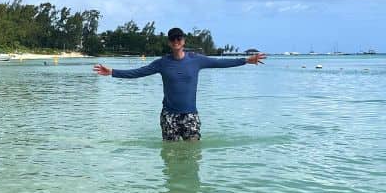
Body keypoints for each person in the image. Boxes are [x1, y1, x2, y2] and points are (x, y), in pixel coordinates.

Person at [93, 27, 266, 141]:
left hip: (190, 115)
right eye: (173, 39)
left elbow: (220, 62)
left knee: (193, 155)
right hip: (169, 116)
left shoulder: (196, 60)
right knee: (171, 157)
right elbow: (139, 72)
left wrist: (245, 60)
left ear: (183, 41)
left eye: (179, 38)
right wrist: (113, 72)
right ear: (169, 42)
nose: (176, 41)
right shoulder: (162, 63)